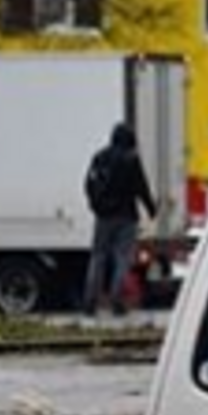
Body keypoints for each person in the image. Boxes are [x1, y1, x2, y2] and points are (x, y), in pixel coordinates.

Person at [84, 123, 159, 316]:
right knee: (122, 258)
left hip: (103, 218)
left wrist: (95, 206)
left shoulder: (99, 158)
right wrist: (151, 209)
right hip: (126, 217)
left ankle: (90, 302)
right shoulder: (131, 159)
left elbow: (88, 184)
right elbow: (141, 186)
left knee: (98, 257)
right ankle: (116, 301)